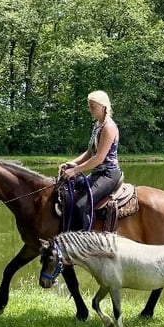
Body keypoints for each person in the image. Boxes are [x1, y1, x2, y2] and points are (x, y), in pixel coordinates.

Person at [58, 90, 122, 231]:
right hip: (98, 173)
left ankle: (85, 243)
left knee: (83, 204)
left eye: (92, 106)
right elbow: (89, 152)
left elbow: (99, 158)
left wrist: (75, 170)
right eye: (89, 106)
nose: (89, 109)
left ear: (103, 107)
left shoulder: (109, 127)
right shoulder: (97, 125)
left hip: (108, 174)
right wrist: (72, 163)